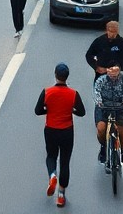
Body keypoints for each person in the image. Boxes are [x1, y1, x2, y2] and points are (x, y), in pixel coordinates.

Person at [35, 62, 86, 207]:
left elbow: (37, 110)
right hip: (67, 131)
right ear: (67, 77)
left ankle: (52, 175)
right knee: (65, 162)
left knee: (51, 156)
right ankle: (61, 195)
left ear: (55, 75)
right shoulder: (73, 94)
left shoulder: (47, 92)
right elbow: (82, 112)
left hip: (50, 130)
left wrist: (48, 110)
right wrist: (71, 110)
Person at [93, 62, 123, 166]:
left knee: (122, 128)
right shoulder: (101, 80)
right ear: (107, 71)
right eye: (111, 75)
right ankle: (103, 147)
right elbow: (96, 92)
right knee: (101, 129)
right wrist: (99, 102)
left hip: (119, 106)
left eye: (115, 75)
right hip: (104, 107)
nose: (113, 77)